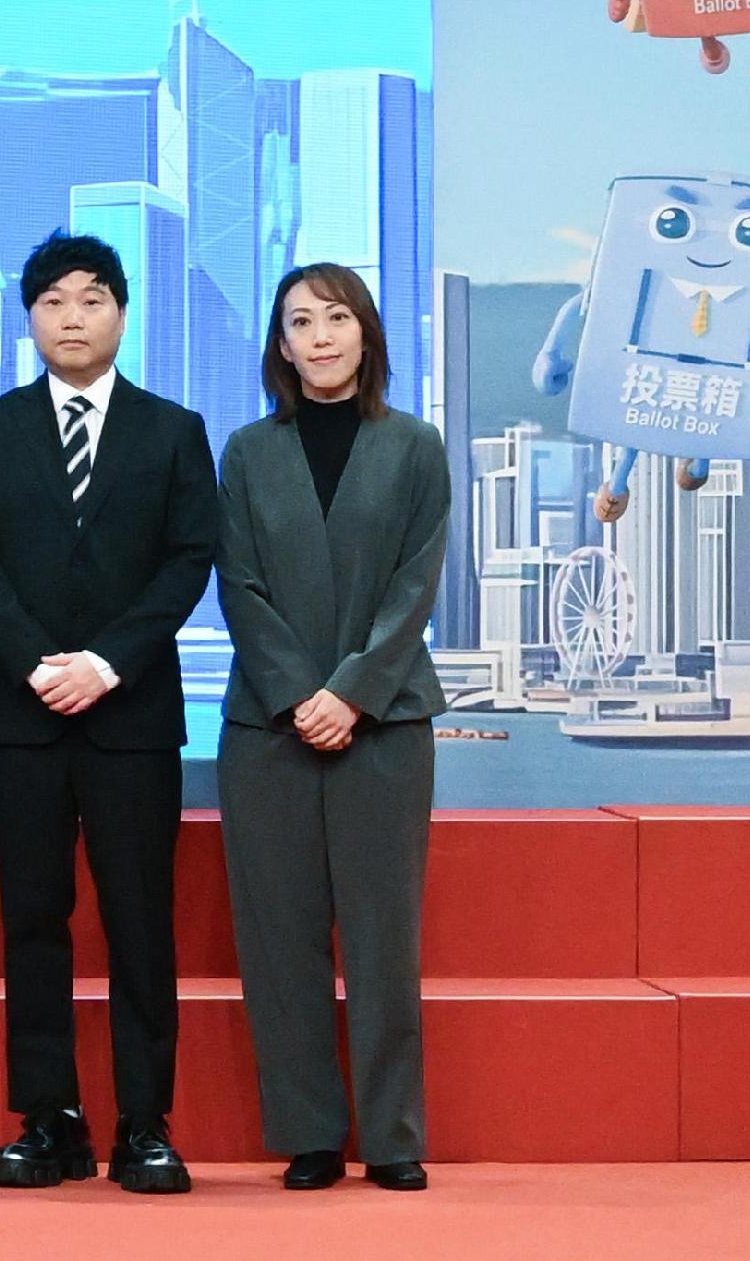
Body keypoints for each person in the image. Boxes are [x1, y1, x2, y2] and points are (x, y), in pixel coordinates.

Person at [0, 232, 215, 1194]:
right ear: (29, 319)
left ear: (122, 314)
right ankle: (48, 1118)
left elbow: (190, 558)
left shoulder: (173, 430)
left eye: (92, 299)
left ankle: (147, 1122)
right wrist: (35, 662)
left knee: (141, 921)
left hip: (131, 714)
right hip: (19, 716)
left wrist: (105, 662)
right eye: (53, 301)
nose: (72, 317)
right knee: (33, 919)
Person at [216, 262, 451, 1194]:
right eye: (300, 322)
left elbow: (416, 582)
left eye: (337, 318)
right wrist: (295, 694)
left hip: (386, 726)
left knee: (384, 936)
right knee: (281, 940)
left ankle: (393, 1136)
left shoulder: (416, 447)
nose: (319, 336)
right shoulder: (245, 451)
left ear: (366, 334)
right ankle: (310, 1134)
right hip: (267, 730)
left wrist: (350, 692)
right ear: (280, 345)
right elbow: (239, 584)